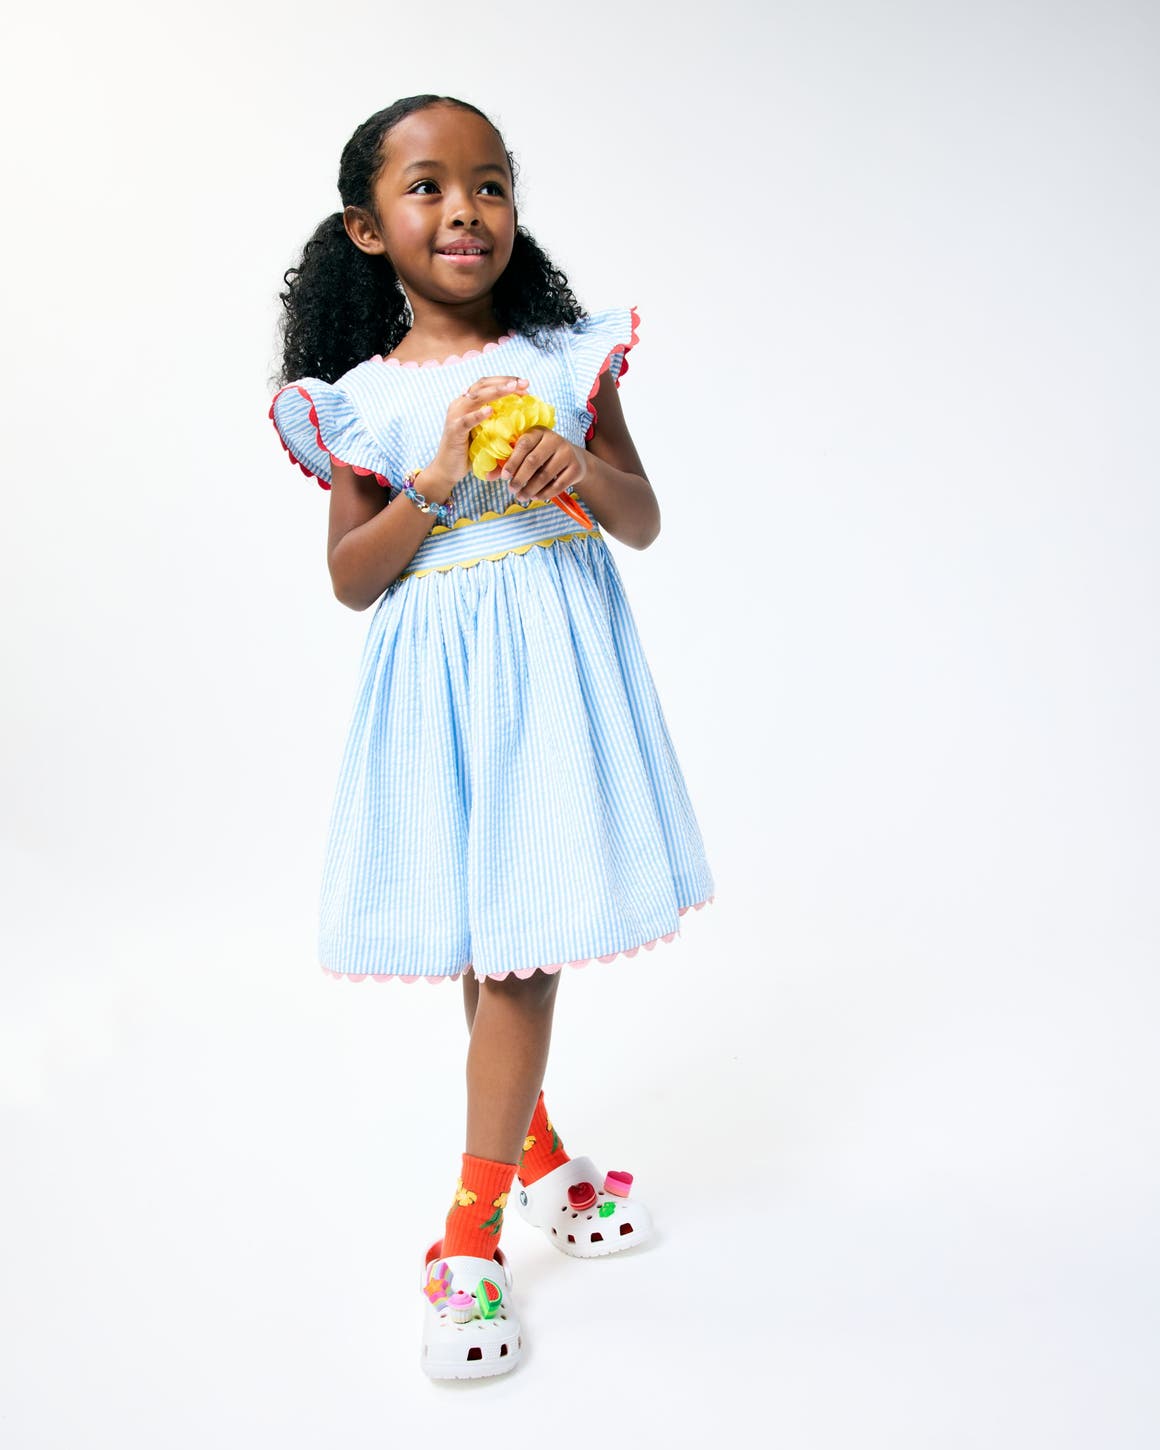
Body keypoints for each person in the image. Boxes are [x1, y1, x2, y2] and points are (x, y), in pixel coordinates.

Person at [267, 93, 715, 1381]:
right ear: (366, 227)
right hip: (437, 701)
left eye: (491, 184)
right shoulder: (353, 401)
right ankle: (537, 1161)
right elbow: (355, 578)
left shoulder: (570, 361)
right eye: (428, 188)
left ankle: (467, 1237)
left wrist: (579, 474)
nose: (465, 210)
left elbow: (641, 520)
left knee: (520, 946)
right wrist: (441, 477)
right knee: (488, 928)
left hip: (555, 679)